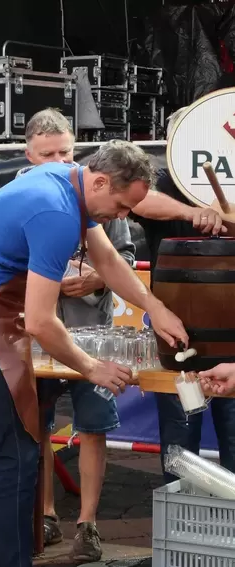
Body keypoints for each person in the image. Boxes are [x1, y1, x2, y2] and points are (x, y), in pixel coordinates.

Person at [0, 140, 189, 567]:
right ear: (101, 180)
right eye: (123, 206)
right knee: (12, 456)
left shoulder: (72, 182)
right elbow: (39, 321)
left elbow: (108, 260)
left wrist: (156, 308)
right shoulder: (56, 211)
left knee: (21, 452)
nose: (124, 218)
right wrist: (92, 367)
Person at [16, 109, 134, 561]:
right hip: (39, 334)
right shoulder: (24, 193)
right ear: (28, 153)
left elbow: (121, 257)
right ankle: (45, 516)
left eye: (66, 152)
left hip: (92, 333)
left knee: (94, 427)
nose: (59, 161)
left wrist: (94, 279)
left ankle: (88, 524)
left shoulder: (97, 189)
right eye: (48, 154)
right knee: (38, 426)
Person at [132, 106, 235, 481]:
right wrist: (193, 211)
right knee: (180, 455)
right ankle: (181, 532)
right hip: (176, 337)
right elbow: (137, 200)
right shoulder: (163, 181)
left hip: (233, 341)